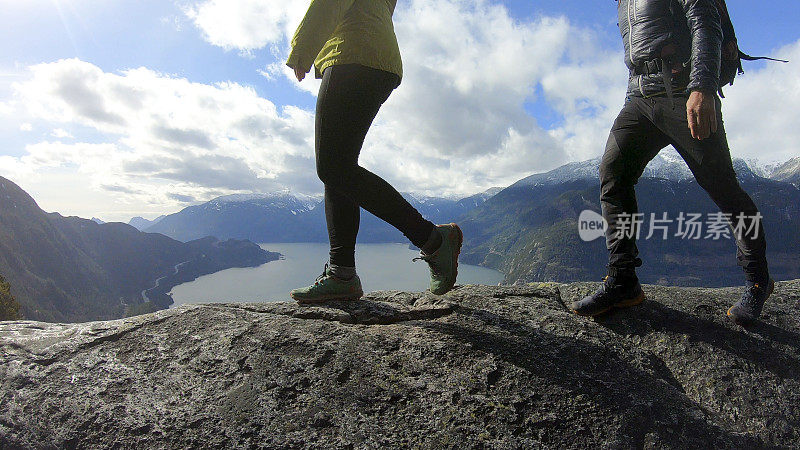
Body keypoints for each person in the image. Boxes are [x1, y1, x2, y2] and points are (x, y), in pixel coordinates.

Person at [571, 0, 773, 325]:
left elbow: (705, 21)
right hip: (639, 95)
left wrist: (702, 87)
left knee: (721, 186)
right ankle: (623, 281)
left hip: (683, 89)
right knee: (613, 172)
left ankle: (758, 281)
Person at [285, 0, 462, 303]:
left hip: (353, 55)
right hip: (376, 58)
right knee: (338, 169)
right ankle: (342, 275)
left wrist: (303, 47)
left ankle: (433, 240)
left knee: (332, 167)